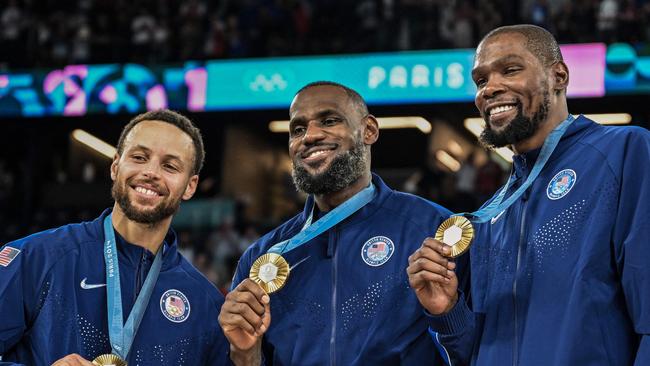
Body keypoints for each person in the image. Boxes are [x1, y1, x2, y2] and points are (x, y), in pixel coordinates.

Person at [407, 24, 650, 365]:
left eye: (510, 70)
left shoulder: (623, 153)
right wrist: (446, 312)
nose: (489, 88)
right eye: (480, 81)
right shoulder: (488, 215)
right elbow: (473, 354)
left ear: (559, 76)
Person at [218, 81, 451, 365]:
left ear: (369, 130)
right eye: (298, 129)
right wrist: (244, 355)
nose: (310, 136)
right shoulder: (263, 257)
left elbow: (475, 350)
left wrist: (449, 314)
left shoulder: (432, 228)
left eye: (329, 121)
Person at [0, 110, 229, 365]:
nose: (151, 172)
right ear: (115, 166)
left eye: (170, 166)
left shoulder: (206, 305)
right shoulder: (38, 258)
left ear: (190, 186)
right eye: (139, 157)